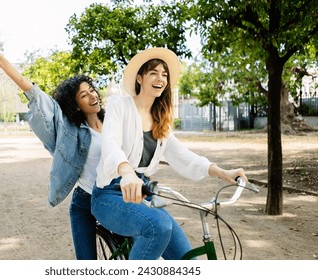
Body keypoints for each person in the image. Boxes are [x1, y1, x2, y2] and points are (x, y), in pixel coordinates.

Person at [91, 47, 248, 260]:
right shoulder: (120, 105)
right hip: (110, 193)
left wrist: (221, 172)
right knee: (159, 226)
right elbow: (110, 143)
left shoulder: (160, 118)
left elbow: (181, 155)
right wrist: (127, 172)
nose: (161, 79)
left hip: (143, 192)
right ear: (140, 78)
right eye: (154, 73)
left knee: (187, 259)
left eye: (164, 75)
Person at [0, 39, 104, 260]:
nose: (92, 96)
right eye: (84, 95)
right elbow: (36, 95)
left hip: (114, 195)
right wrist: (2, 62)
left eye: (92, 90)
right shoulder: (71, 131)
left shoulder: (114, 124)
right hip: (84, 201)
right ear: (75, 105)